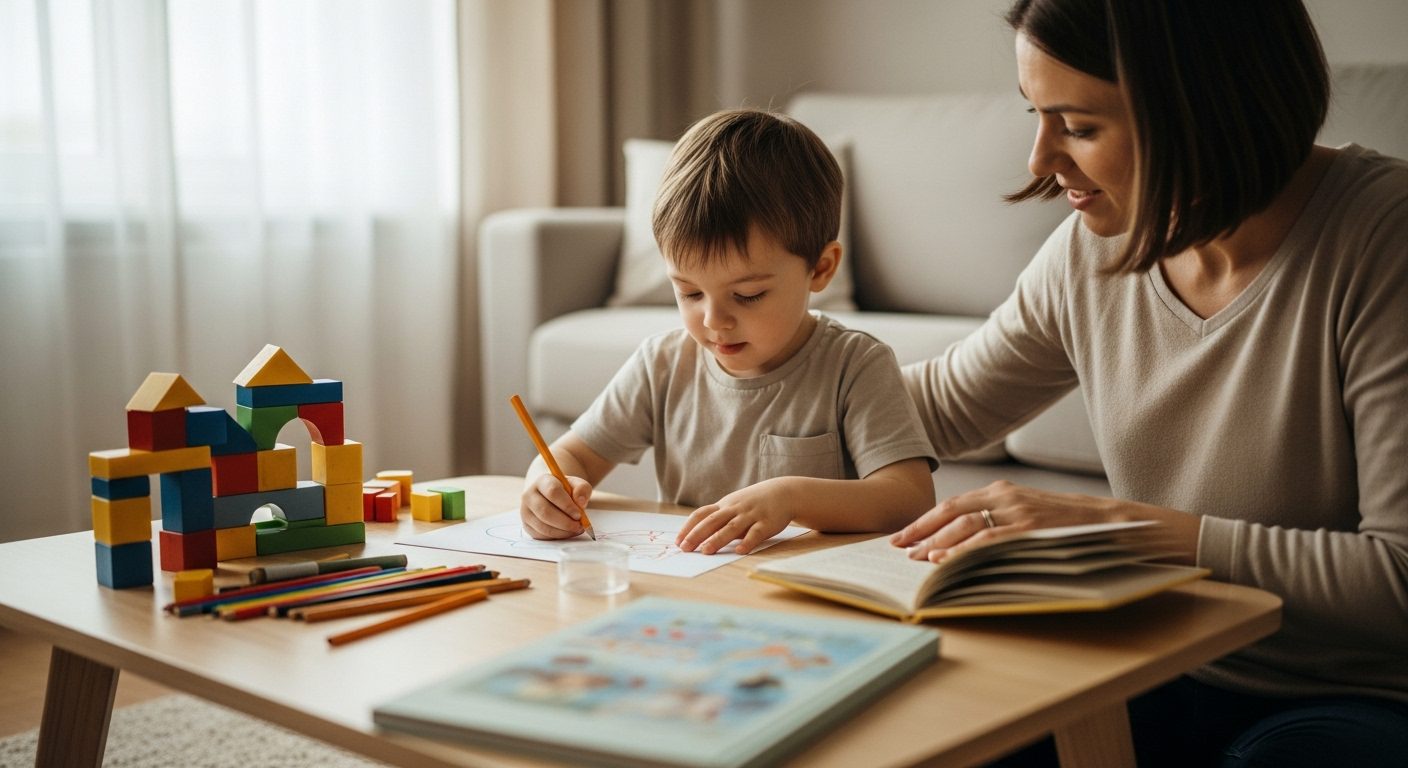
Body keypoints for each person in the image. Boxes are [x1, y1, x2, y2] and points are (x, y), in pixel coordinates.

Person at [890, 1, 1408, 766]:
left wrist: (1121, 533)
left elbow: (1398, 578)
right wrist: (730, 377)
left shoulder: (1385, 241)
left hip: (1362, 697)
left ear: (1202, 109)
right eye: (1036, 114)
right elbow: (939, 407)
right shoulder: (1091, 252)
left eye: (1078, 126)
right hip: (1157, 661)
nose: (1039, 159)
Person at [520, 108, 938, 555]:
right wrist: (545, 488)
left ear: (821, 268)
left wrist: (792, 497)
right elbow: (572, 456)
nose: (713, 321)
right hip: (692, 581)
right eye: (689, 293)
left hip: (805, 584)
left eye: (748, 295)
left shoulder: (855, 365)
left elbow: (909, 497)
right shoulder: (661, 364)